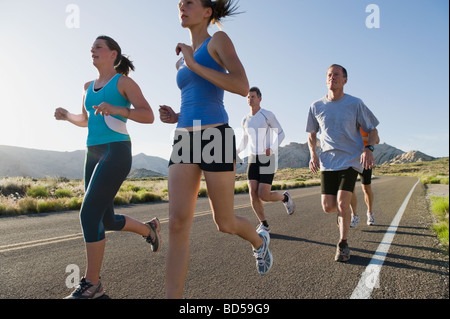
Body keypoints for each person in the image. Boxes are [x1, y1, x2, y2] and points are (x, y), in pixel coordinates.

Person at [159, 0, 272, 299]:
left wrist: (194, 63)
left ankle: (259, 243)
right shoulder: (182, 56)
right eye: (179, 3)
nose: (181, 7)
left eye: (190, 3)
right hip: (184, 136)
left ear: (207, 11)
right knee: (177, 223)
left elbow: (241, 84)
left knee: (224, 222)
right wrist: (175, 116)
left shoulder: (217, 41)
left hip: (216, 137)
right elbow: (194, 96)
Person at [55, 35, 161, 299]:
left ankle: (92, 285)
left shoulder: (123, 82)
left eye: (98, 46)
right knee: (105, 219)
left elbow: (147, 115)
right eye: (92, 47)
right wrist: (67, 115)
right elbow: (86, 118)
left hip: (116, 151)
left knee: (88, 215)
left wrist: (116, 109)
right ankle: (149, 229)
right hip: (93, 153)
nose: (92, 49)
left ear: (113, 54)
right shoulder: (87, 86)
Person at [306, 64, 380, 262]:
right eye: (329, 75)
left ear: (345, 80)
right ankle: (343, 218)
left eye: (337, 75)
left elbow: (372, 130)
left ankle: (343, 243)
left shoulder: (355, 104)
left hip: (351, 160)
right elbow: (311, 134)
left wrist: (368, 149)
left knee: (342, 202)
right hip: (328, 161)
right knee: (329, 207)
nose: (332, 78)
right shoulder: (316, 106)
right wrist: (313, 155)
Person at [237, 87, 295, 233]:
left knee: (264, 195)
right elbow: (244, 140)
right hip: (252, 158)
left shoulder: (267, 115)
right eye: (248, 97)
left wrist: (273, 148)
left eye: (253, 97)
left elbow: (281, 133)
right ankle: (264, 224)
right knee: (252, 193)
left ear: (260, 99)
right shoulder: (245, 119)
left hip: (267, 157)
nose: (250, 99)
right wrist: (236, 152)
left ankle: (285, 198)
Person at [350, 128, 380, 227]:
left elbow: (377, 140)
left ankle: (370, 213)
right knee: (350, 189)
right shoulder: (348, 121)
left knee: (366, 188)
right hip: (350, 159)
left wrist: (358, 138)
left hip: (365, 158)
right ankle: (354, 215)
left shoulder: (366, 123)